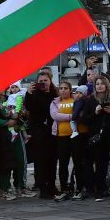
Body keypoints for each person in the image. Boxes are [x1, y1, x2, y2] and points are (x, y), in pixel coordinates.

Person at [83, 76, 110, 200]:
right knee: (100, 164)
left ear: (107, 85)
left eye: (102, 83)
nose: (99, 86)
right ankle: (100, 188)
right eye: (97, 84)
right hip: (98, 137)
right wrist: (95, 112)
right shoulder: (91, 100)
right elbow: (85, 119)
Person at [23, 71, 57, 199]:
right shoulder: (34, 95)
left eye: (45, 81)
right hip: (39, 132)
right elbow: (30, 107)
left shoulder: (55, 93)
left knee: (52, 160)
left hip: (52, 132)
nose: (43, 84)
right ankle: (43, 187)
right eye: (40, 81)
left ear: (50, 81)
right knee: (40, 161)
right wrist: (29, 93)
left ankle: (52, 186)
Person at [49, 80, 77, 200]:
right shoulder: (55, 102)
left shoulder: (76, 99)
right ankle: (64, 188)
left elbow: (80, 112)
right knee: (63, 163)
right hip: (61, 136)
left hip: (75, 135)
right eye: (61, 88)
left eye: (65, 88)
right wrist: (71, 116)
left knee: (77, 162)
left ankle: (77, 187)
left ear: (70, 90)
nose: (63, 90)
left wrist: (68, 116)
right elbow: (55, 116)